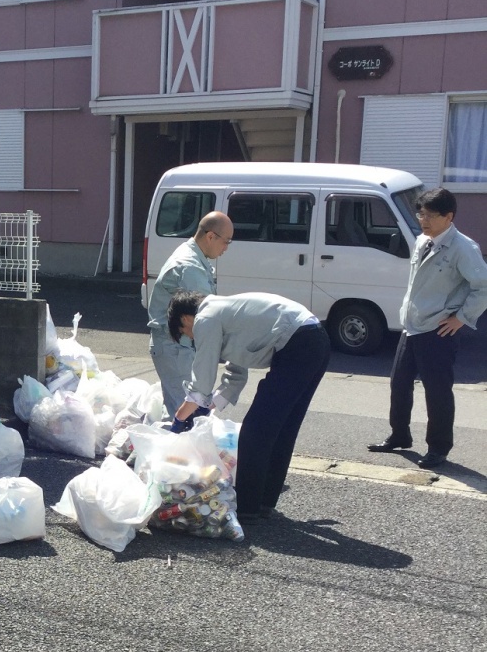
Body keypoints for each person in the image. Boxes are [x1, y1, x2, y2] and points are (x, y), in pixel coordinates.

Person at [169, 290, 331, 523]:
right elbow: (236, 372)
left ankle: (247, 508)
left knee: (255, 432)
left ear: (185, 319)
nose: (192, 339)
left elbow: (202, 379)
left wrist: (180, 418)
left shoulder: (205, 318)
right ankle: (264, 503)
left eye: (185, 333)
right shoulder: (228, 313)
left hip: (298, 343)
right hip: (315, 340)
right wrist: (210, 405)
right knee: (281, 429)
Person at [368, 187, 487, 469]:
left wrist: (461, 318)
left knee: (437, 391)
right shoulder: (423, 240)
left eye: (431, 215)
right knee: (399, 383)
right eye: (421, 213)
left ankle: (438, 447)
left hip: (438, 330)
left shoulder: (463, 248)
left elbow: (483, 286)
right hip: (411, 325)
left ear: (449, 216)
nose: (424, 220)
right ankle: (399, 435)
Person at [147, 211, 239, 416]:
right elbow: (207, 316)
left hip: (175, 346)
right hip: (176, 348)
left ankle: (174, 445)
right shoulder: (190, 267)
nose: (226, 248)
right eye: (226, 242)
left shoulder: (191, 253)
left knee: (181, 411)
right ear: (210, 236)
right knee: (188, 415)